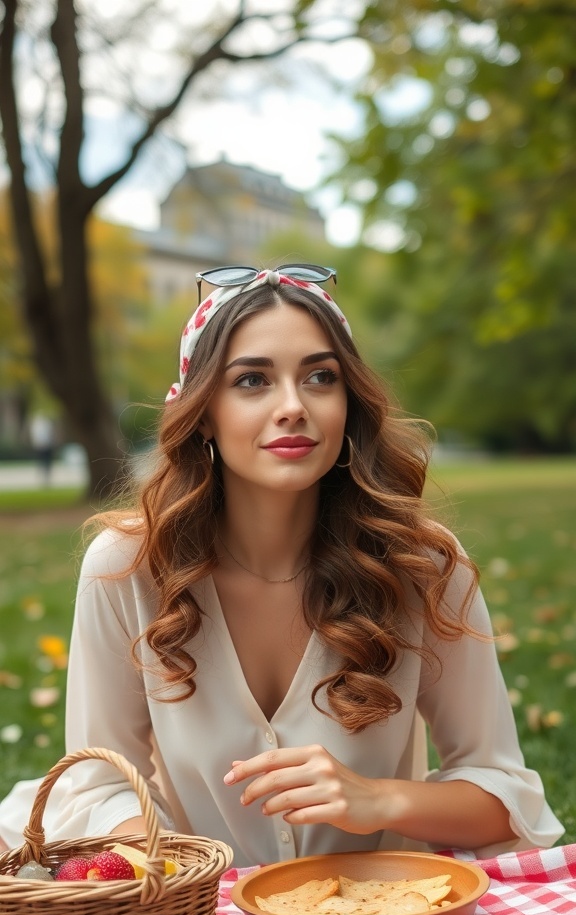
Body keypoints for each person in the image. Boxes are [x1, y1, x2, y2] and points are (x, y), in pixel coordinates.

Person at [0, 265, 563, 867]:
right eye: (252, 381)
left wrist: (376, 800)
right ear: (204, 410)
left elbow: (504, 794)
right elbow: (100, 781)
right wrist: (175, 870)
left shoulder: (423, 566)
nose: (293, 406)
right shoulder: (128, 568)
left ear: (349, 402)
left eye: (321, 377)